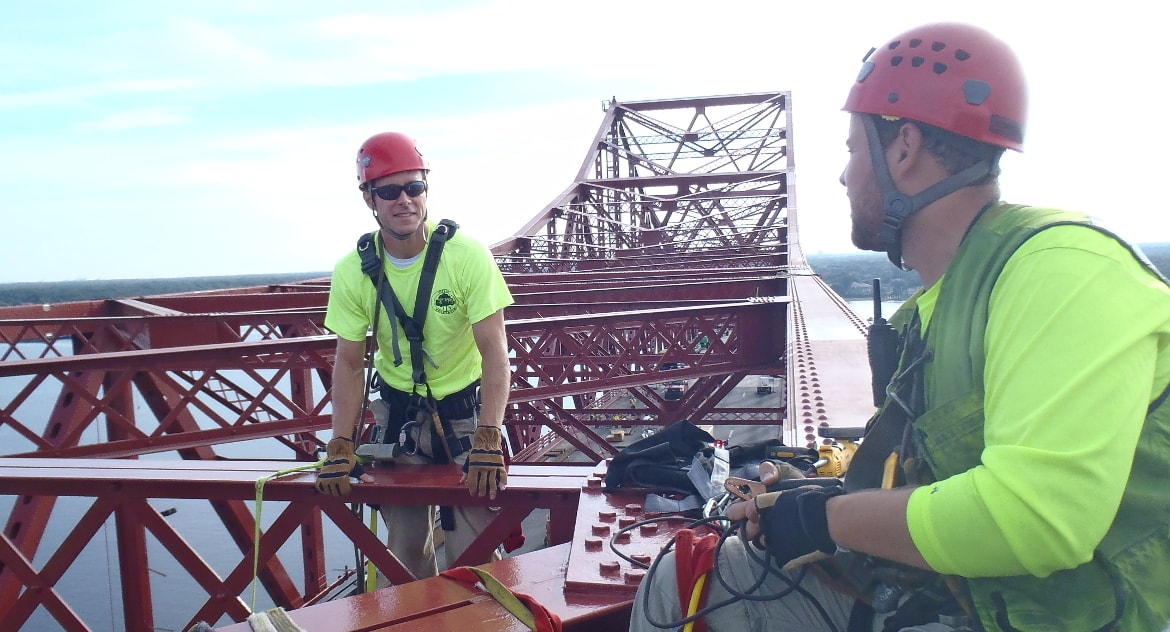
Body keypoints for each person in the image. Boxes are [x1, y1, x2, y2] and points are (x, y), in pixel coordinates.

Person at [630, 22, 1170, 632]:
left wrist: (828, 520)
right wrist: (824, 493)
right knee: (688, 571)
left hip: (1071, 615)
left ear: (904, 148)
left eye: (853, 150)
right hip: (979, 597)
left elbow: (1036, 521)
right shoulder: (944, 302)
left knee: (691, 587)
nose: (843, 176)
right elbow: (941, 472)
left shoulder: (1063, 272)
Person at [315, 131, 515, 581]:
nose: (404, 200)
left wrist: (489, 436)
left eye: (414, 187)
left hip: (465, 417)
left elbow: (494, 352)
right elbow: (348, 362)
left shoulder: (466, 256)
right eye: (388, 191)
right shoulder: (354, 270)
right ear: (369, 198)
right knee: (402, 558)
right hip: (400, 417)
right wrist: (340, 443)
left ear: (427, 189)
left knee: (476, 557)